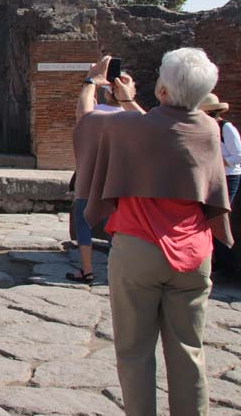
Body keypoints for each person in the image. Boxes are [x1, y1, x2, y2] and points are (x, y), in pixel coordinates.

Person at [75, 50, 231, 416]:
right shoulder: (208, 129)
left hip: (138, 251)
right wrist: (129, 101)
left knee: (134, 353)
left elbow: (86, 119)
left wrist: (91, 83)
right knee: (189, 353)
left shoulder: (129, 128)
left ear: (161, 90)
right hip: (194, 255)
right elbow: (166, 132)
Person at [67, 88, 122, 284]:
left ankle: (87, 270)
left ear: (106, 94)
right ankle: (116, 271)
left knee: (84, 223)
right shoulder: (132, 116)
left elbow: (82, 110)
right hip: (115, 179)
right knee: (115, 224)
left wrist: (90, 82)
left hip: (89, 177)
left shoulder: (93, 114)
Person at [200, 93, 241, 275]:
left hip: (228, 176)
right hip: (212, 175)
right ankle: (216, 260)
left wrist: (217, 160)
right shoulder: (205, 129)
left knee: (218, 217)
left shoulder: (227, 128)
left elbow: (238, 156)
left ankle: (227, 263)